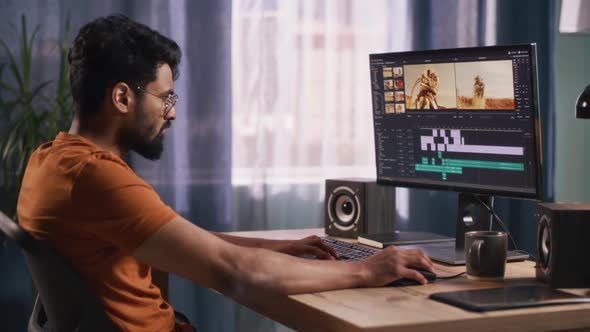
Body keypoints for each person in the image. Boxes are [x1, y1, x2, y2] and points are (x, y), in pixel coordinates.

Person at [17, 14, 433, 332]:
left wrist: (272, 250)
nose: (173, 112)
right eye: (165, 98)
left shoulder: (51, 160)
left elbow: (175, 239)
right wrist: (367, 270)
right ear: (123, 97)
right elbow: (234, 274)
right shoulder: (96, 176)